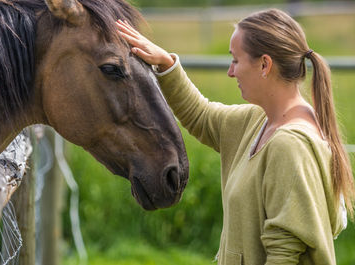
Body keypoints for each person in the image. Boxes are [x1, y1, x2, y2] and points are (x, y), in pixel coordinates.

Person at [116, 8, 355, 265]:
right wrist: (166, 64)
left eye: (235, 60)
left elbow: (284, 255)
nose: (231, 72)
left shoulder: (290, 145)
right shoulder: (259, 121)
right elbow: (202, 116)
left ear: (265, 64)